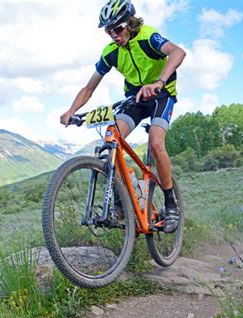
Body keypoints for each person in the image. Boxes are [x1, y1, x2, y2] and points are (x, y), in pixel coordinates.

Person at [60, 0, 186, 234]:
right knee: (111, 141)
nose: (114, 35)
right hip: (135, 99)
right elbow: (89, 88)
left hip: (161, 95)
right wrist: (71, 111)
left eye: (118, 29)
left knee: (156, 144)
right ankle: (121, 204)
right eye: (109, 31)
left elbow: (178, 53)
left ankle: (170, 204)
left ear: (130, 23)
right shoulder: (111, 53)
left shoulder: (149, 37)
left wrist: (158, 82)